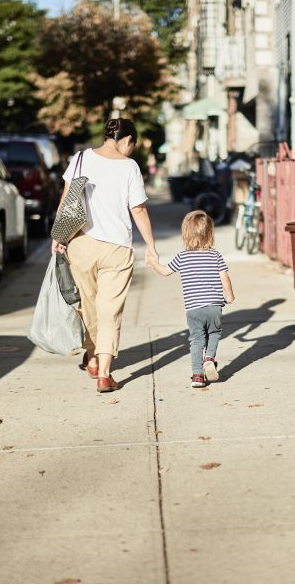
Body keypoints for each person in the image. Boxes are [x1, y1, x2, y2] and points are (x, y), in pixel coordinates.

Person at [52, 118, 158, 393]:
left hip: (81, 244)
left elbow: (66, 198)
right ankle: (104, 374)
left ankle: (94, 359)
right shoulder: (129, 167)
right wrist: (151, 246)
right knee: (109, 311)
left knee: (88, 307)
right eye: (132, 145)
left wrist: (58, 236)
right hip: (117, 249)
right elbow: (139, 210)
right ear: (127, 140)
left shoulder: (80, 158)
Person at [147, 210, 235, 387]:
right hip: (214, 306)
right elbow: (224, 276)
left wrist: (153, 263)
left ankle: (197, 376)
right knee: (215, 333)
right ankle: (209, 358)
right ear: (210, 234)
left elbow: (165, 272)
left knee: (196, 340)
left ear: (185, 234)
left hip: (193, 309)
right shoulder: (215, 255)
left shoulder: (182, 257)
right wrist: (230, 295)